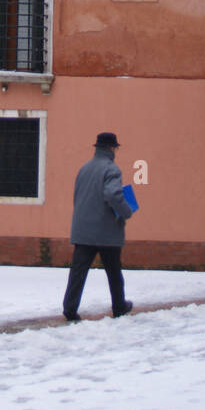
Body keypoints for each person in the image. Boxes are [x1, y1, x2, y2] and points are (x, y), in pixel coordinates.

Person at [62, 131, 134, 322]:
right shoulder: (112, 170)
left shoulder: (84, 168)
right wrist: (126, 211)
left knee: (78, 271)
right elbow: (112, 195)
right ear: (112, 148)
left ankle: (69, 308)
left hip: (82, 229)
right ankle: (119, 306)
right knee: (113, 271)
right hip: (106, 231)